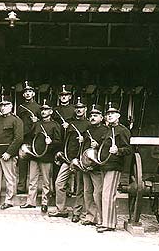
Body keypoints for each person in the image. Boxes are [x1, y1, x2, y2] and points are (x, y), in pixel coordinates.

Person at [48, 97, 89, 221]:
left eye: (81, 108)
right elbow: (63, 140)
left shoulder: (88, 124)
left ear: (85, 109)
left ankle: (77, 212)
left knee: (79, 188)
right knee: (59, 183)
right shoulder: (68, 123)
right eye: (77, 108)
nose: (78, 110)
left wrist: (84, 140)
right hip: (67, 159)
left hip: (80, 160)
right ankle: (61, 209)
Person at [20, 100, 61, 213]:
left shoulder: (55, 125)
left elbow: (59, 142)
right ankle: (30, 202)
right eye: (42, 110)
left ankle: (44, 202)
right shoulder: (37, 124)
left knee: (46, 182)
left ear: (51, 112)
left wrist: (51, 142)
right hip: (34, 155)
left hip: (47, 156)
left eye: (46, 110)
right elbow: (30, 137)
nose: (43, 112)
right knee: (32, 180)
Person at [97, 102, 131, 233]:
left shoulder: (123, 130)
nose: (110, 116)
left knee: (108, 195)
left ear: (118, 115)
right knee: (104, 194)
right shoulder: (107, 130)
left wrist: (118, 150)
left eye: (112, 114)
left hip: (114, 166)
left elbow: (128, 149)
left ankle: (109, 224)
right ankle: (106, 221)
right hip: (104, 165)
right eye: (108, 114)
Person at [0, 95, 23, 209]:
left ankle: (9, 200)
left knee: (10, 178)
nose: (3, 107)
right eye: (1, 105)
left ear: (11, 106)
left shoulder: (16, 120)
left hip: (7, 154)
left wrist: (9, 152)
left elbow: (18, 138)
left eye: (6, 105)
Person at [80, 104, 107, 226]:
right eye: (91, 115)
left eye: (96, 115)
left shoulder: (105, 131)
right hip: (86, 166)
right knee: (87, 192)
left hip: (97, 167)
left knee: (98, 193)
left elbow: (106, 150)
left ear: (101, 117)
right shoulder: (87, 131)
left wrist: (98, 145)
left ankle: (100, 218)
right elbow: (83, 148)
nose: (93, 117)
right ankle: (90, 216)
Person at [16, 81, 41, 194]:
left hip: (34, 137)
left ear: (33, 94)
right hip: (24, 136)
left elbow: (43, 123)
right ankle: (21, 186)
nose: (27, 94)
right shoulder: (20, 107)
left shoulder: (39, 107)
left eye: (30, 91)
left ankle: (32, 188)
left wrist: (37, 121)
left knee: (34, 163)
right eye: (26, 92)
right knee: (22, 162)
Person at [52, 85, 75, 195]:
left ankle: (69, 189)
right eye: (62, 95)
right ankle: (56, 190)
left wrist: (69, 125)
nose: (64, 97)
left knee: (69, 163)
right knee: (57, 163)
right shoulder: (55, 110)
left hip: (69, 140)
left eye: (66, 95)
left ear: (70, 96)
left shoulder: (74, 110)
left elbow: (77, 124)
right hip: (58, 139)